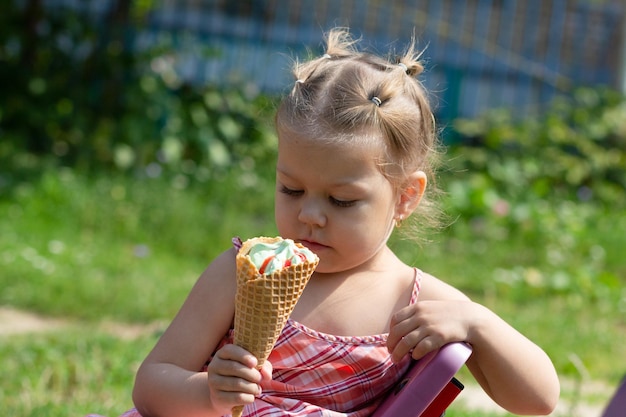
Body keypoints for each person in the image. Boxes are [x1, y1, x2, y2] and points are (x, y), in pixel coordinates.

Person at [90, 28, 560, 417]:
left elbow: (540, 401)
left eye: (341, 200)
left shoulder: (413, 302)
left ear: (405, 197)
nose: (309, 215)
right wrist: (207, 393)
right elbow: (151, 385)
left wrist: (477, 322)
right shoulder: (244, 270)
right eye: (291, 190)